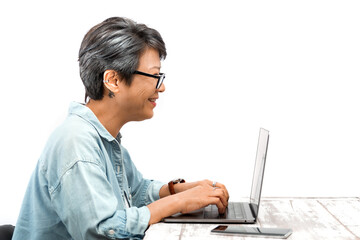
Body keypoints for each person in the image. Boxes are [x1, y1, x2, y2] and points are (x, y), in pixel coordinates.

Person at [12, 17, 229, 240]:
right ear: (113, 80)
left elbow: (135, 193)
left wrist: (179, 190)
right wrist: (178, 203)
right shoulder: (75, 142)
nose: (161, 87)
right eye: (154, 76)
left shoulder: (104, 138)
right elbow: (103, 230)